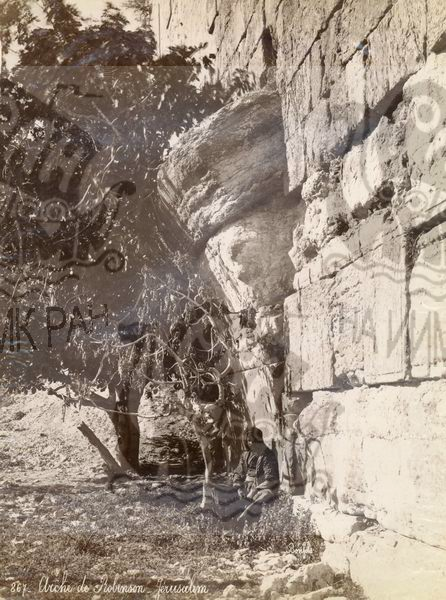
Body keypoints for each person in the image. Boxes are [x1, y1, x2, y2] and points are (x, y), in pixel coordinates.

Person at [232, 426, 280, 521]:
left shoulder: (268, 456)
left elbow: (271, 479)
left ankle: (245, 517)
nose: (251, 443)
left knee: (261, 498)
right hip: (245, 487)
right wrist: (239, 488)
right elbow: (238, 472)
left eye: (253, 440)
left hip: (260, 488)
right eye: (249, 441)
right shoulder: (246, 454)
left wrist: (254, 490)